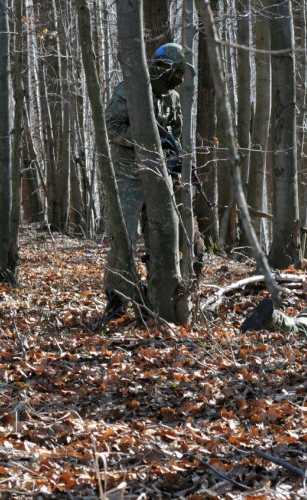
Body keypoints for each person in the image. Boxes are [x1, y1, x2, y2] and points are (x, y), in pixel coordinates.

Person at [102, 42, 187, 318]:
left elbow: (176, 132)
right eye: (175, 73)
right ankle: (117, 299)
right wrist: (144, 140)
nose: (178, 80)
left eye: (181, 74)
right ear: (163, 68)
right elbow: (112, 126)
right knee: (123, 240)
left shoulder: (172, 98)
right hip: (128, 176)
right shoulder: (131, 90)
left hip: (159, 177)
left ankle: (155, 297)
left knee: (160, 236)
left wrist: (174, 157)